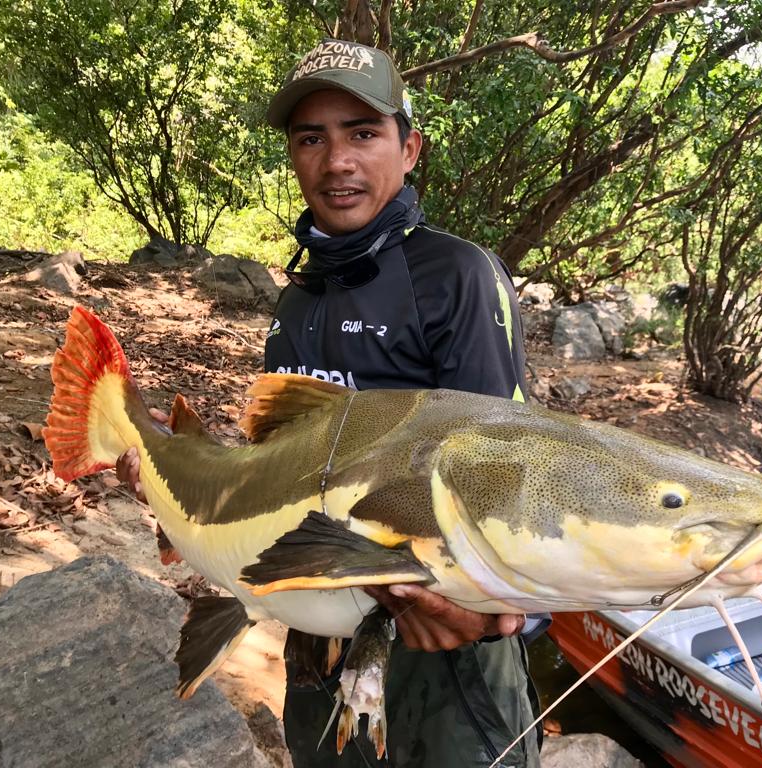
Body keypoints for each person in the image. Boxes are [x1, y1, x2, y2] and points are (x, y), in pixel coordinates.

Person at [119, 38, 544, 767]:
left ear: (410, 148)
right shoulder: (299, 297)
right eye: (311, 138)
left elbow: (502, 481)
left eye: (363, 133)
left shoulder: (458, 277)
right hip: (316, 636)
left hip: (440, 662)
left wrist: (504, 614)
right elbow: (290, 462)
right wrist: (185, 471)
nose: (336, 161)